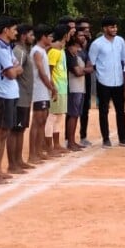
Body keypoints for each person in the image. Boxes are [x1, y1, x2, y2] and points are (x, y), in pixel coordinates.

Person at [0, 16, 23, 184]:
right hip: (4, 94)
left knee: (5, 132)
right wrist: (14, 70)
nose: (16, 32)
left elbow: (17, 69)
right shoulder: (0, 48)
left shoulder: (6, 47)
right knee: (0, 132)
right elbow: (11, 73)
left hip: (11, 93)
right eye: (14, 29)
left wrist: (13, 70)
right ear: (6, 30)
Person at [89, 16, 125, 147]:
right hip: (103, 81)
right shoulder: (96, 44)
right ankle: (106, 138)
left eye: (116, 26)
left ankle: (123, 138)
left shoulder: (120, 41)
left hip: (119, 81)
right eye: (112, 27)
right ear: (105, 28)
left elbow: (123, 60)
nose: (115, 29)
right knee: (103, 111)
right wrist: (99, 76)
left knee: (121, 110)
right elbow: (92, 63)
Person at [11, 24, 35, 171]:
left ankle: (18, 160)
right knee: (16, 131)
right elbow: (16, 70)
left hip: (25, 97)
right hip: (19, 97)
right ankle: (13, 163)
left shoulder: (24, 51)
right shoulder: (19, 51)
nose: (32, 37)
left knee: (21, 130)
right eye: (30, 34)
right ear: (23, 35)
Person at [29, 24, 54, 164]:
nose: (51, 38)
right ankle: (33, 154)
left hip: (44, 91)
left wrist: (51, 86)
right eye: (49, 36)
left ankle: (38, 151)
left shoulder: (43, 51)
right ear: (43, 37)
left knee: (43, 120)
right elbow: (41, 72)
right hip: (39, 90)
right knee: (37, 121)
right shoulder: (37, 51)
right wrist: (51, 87)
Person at [46, 23, 71, 154]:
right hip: (56, 87)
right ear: (65, 35)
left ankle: (56, 144)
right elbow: (49, 71)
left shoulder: (60, 49)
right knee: (52, 116)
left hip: (62, 88)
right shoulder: (55, 51)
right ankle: (49, 146)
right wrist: (53, 87)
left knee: (59, 116)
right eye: (69, 33)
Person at [64, 36, 86, 151]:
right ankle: (70, 142)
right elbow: (78, 72)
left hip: (79, 88)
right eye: (76, 46)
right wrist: (86, 70)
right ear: (70, 46)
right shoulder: (70, 57)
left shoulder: (75, 56)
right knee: (72, 115)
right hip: (74, 88)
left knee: (76, 114)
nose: (78, 49)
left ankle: (72, 141)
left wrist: (84, 70)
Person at [74, 19, 93, 146]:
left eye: (88, 28)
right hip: (75, 80)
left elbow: (91, 66)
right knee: (73, 109)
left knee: (85, 108)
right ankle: (68, 138)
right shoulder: (73, 45)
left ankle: (83, 135)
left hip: (87, 80)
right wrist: (87, 69)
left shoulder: (91, 44)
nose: (86, 31)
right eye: (83, 28)